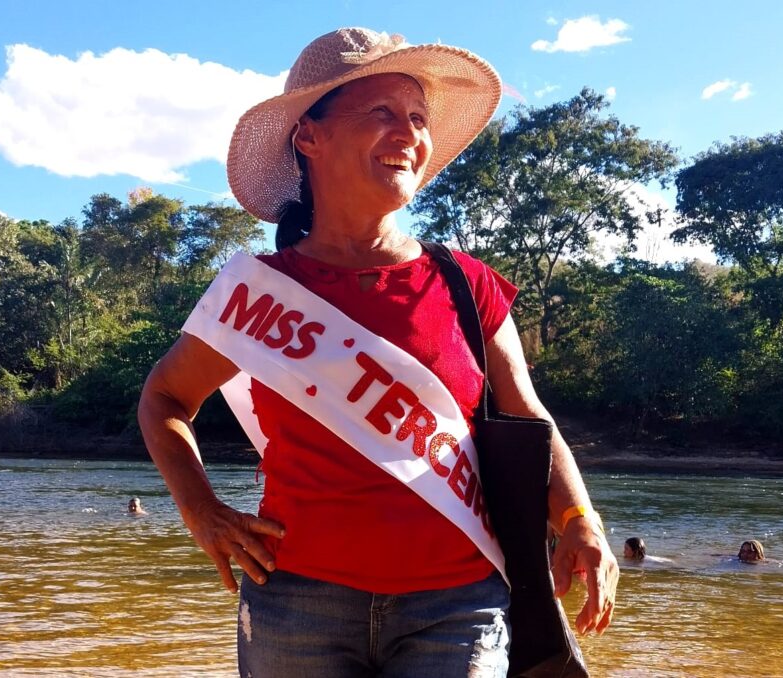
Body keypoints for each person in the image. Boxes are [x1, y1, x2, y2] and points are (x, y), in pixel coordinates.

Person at [138, 27, 619, 676]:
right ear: (309, 137)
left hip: (458, 606)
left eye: (418, 118)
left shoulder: (467, 285)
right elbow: (165, 398)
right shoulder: (258, 292)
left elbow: (529, 418)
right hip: (295, 604)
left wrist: (581, 518)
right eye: (382, 113)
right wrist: (201, 511)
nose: (409, 134)